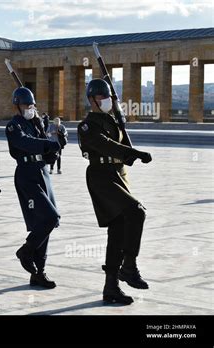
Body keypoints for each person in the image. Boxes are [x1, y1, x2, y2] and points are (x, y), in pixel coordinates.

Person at [78, 78, 152, 305]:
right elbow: (104, 145)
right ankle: (129, 266)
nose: (107, 101)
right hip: (101, 177)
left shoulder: (113, 120)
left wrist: (128, 153)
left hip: (118, 174)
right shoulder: (87, 125)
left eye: (108, 97)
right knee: (136, 211)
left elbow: (119, 147)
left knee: (118, 229)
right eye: (102, 97)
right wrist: (135, 152)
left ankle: (111, 288)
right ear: (92, 100)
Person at [5, 86, 60, 289]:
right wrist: (46, 145)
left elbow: (45, 147)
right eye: (26, 105)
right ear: (17, 106)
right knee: (50, 217)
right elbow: (24, 143)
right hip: (27, 174)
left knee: (45, 224)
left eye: (32, 105)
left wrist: (53, 150)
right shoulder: (14, 126)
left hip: (42, 172)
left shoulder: (35, 124)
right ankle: (26, 250)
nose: (30, 108)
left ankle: (39, 272)